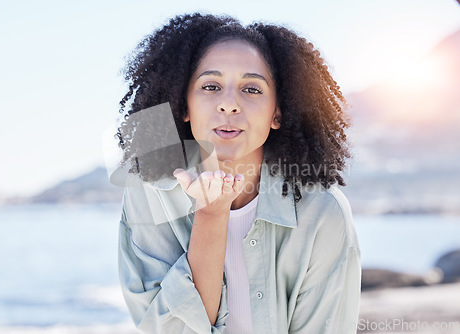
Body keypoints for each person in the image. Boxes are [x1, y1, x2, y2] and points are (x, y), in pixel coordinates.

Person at [113, 13, 361, 334]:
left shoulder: (323, 212)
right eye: (211, 86)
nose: (229, 104)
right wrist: (211, 216)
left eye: (252, 89)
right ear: (183, 106)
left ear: (278, 113)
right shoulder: (148, 194)